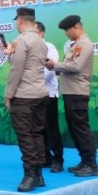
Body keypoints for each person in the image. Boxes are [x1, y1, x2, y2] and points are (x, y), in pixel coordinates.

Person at [46, 15, 98, 177]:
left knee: (81, 128)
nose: (66, 34)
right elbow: (69, 65)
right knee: (75, 128)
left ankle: (91, 164)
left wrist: (54, 65)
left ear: (75, 27)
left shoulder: (84, 44)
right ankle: (84, 161)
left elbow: (76, 66)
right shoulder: (76, 45)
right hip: (70, 92)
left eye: (67, 30)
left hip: (77, 92)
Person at [3, 7, 49, 192]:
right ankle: (38, 175)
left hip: (24, 95)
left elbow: (16, 70)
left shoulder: (21, 40)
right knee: (37, 133)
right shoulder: (40, 40)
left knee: (25, 136)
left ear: (19, 20)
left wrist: (8, 94)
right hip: (40, 93)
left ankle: (29, 175)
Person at [37, 21, 64, 173]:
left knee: (51, 127)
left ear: (41, 33)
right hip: (33, 94)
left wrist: (33, 81)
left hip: (48, 93)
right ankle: (45, 157)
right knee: (38, 129)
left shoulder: (49, 47)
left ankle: (58, 159)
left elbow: (50, 69)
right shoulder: (28, 48)